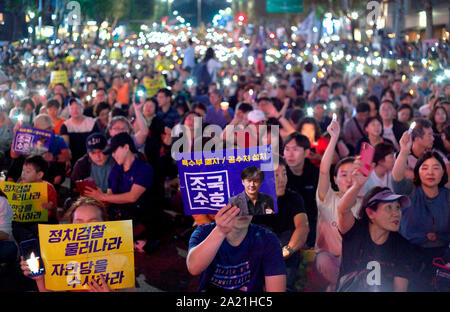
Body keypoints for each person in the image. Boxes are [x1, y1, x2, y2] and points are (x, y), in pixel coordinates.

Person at [20, 196, 133, 292]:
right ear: (71, 225)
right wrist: (40, 279)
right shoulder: (58, 257)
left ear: (105, 224)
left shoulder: (121, 258)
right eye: (79, 222)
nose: (85, 228)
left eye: (93, 222)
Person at [392, 131, 449, 291]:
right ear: (418, 172)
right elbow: (397, 178)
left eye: (436, 168)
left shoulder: (447, 196)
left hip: (442, 255)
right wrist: (404, 151)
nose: (430, 172)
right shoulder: (410, 190)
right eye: (425, 168)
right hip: (410, 253)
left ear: (443, 172)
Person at [186, 204, 286, 292]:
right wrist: (220, 231)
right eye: (235, 205)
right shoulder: (204, 232)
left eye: (248, 203)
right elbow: (193, 268)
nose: (243, 211)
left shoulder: (267, 239)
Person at [336, 183, 415, 292]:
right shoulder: (355, 231)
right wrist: (356, 185)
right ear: (370, 213)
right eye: (389, 208)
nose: (396, 213)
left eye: (397, 207)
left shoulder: (403, 246)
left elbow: (400, 289)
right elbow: (343, 210)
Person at [314, 119, 362, 292]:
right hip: (329, 258)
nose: (349, 179)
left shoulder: (364, 203)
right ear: (335, 180)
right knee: (325, 261)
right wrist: (333, 138)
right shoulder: (327, 198)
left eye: (353, 174)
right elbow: (324, 170)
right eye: (343, 175)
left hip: (354, 259)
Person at [84, 132, 156, 246]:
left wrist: (102, 196)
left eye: (114, 151)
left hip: (141, 214)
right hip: (119, 214)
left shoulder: (143, 168)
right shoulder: (115, 169)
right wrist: (95, 199)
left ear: (126, 147)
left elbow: (132, 197)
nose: (113, 155)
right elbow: (109, 196)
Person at [252, 157, 309, 292]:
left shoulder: (293, 197)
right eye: (276, 175)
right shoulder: (250, 200)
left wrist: (287, 250)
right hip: (259, 253)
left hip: (286, 252)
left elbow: (303, 227)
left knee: (289, 236)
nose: (282, 179)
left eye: (284, 174)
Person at [283, 132, 319, 248]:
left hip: (311, 223)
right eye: (287, 149)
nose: (290, 154)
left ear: (307, 152)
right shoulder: (279, 173)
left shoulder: (316, 173)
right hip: (285, 224)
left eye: (295, 149)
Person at [12, 155, 58, 243]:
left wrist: (49, 207)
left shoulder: (48, 187)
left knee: (49, 224)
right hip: (24, 221)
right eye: (23, 170)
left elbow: (54, 212)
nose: (23, 174)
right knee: (16, 226)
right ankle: (28, 240)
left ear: (40, 174)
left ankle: (34, 239)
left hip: (43, 220)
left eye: (27, 172)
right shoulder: (20, 186)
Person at [60, 98, 101, 166]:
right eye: (72, 108)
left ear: (82, 108)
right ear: (69, 110)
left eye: (77, 107)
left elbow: (97, 141)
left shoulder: (91, 123)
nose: (75, 110)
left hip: (90, 157)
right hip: (73, 158)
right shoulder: (65, 125)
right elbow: (65, 145)